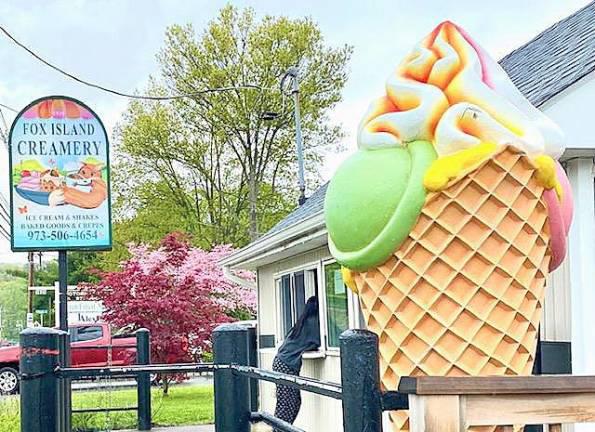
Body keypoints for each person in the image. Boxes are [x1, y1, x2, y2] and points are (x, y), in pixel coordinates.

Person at [272, 296, 320, 429]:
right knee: (287, 404)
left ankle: (283, 428)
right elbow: (318, 340)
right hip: (286, 364)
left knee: (291, 402)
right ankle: (279, 429)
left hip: (281, 361)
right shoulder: (313, 322)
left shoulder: (302, 321)